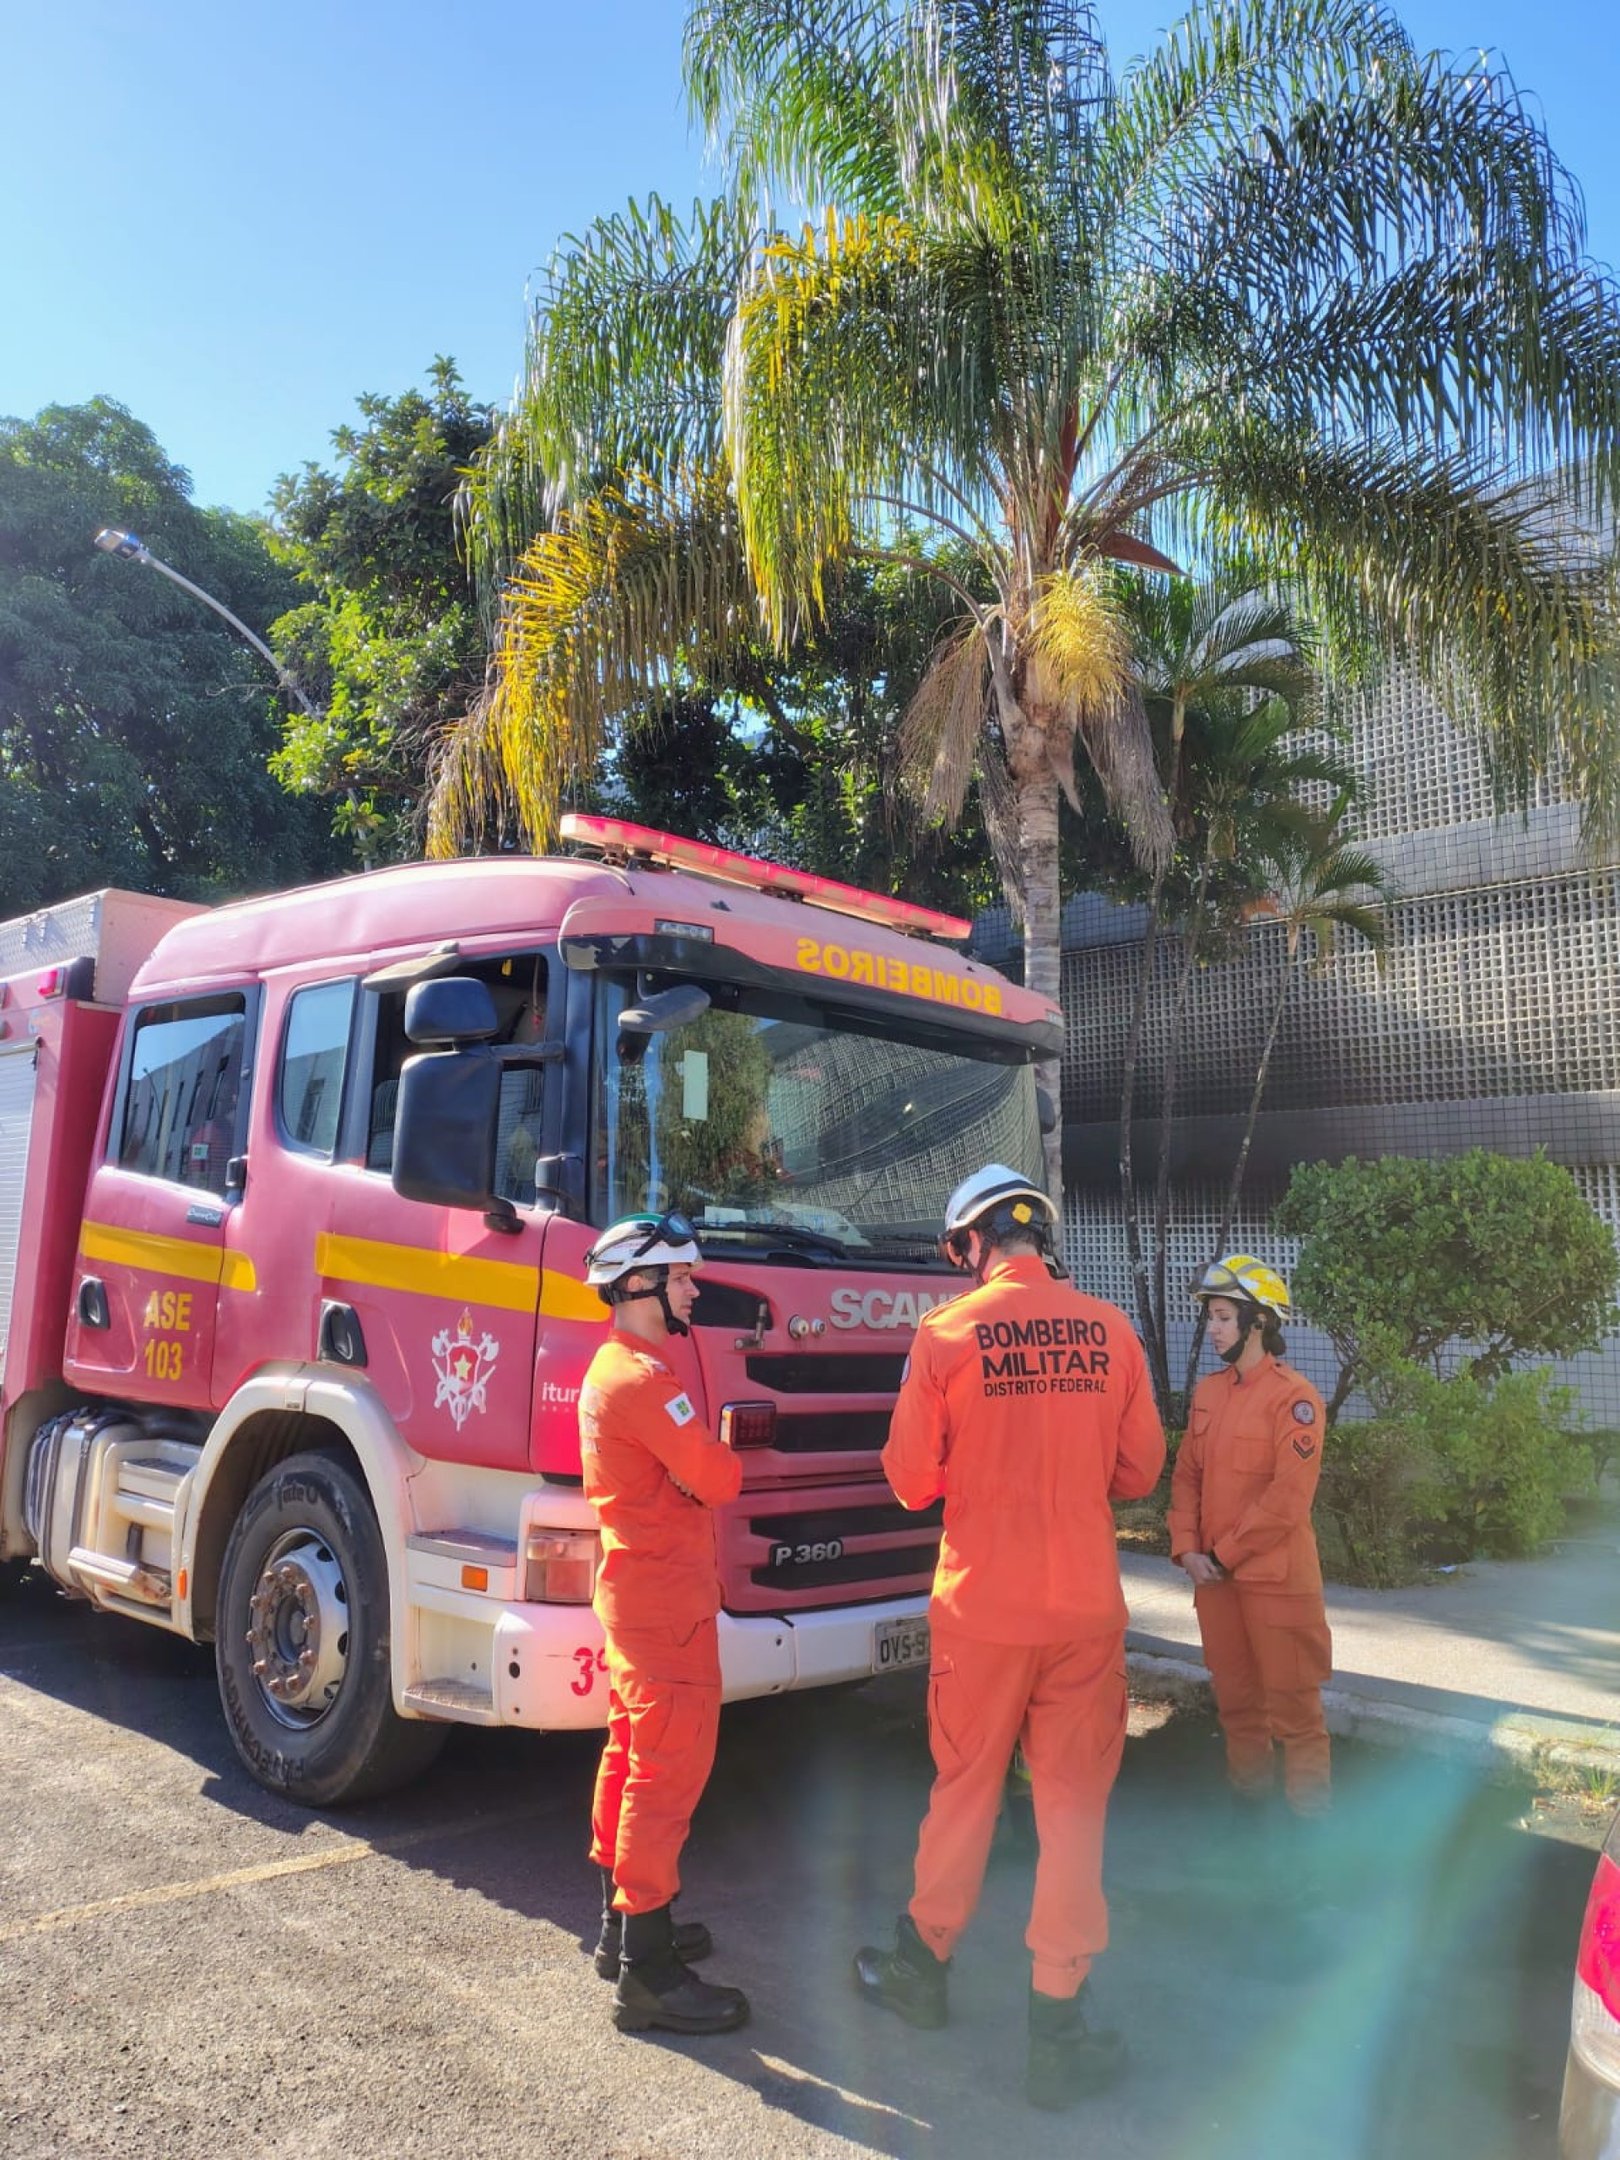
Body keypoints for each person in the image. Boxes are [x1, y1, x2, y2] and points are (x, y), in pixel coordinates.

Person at [854, 1164, 1167, 2112]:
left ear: (971, 1246)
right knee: (1072, 1811)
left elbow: (909, 1480)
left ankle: (921, 1968)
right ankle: (1059, 2030)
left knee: (965, 1793)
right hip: (1082, 1613)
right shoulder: (1113, 1331)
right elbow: (1140, 1469)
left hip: (981, 1613)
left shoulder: (944, 1335)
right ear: (1043, 1238)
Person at [578, 1210, 750, 2036]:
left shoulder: (614, 1368)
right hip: (668, 1609)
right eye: (681, 1276)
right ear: (639, 1284)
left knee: (630, 1751)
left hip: (635, 1600)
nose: (693, 1287)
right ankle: (648, 1972)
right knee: (666, 1774)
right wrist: (716, 1458)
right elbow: (717, 1478)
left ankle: (622, 1927)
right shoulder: (647, 1380)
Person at [1169, 1256, 1332, 1867]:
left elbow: (1286, 1502)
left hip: (1275, 1584)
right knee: (1238, 1707)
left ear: (1257, 1322)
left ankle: (1307, 1850)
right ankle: (1250, 1831)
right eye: (1211, 1317)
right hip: (1216, 1585)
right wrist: (1187, 1547)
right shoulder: (1209, 1394)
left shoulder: (1296, 1402)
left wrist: (1220, 1553)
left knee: (1295, 1715)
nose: (1212, 1329)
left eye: (1221, 1317)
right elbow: (1186, 1475)